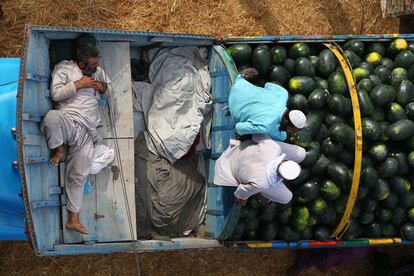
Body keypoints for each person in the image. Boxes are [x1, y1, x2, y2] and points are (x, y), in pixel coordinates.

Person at [40, 42, 112, 234]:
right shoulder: (64, 69)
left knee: (78, 174)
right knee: (50, 119)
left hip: (88, 131)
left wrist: (102, 88)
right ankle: (59, 148)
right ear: (81, 65)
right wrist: (79, 84)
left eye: (97, 65)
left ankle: (73, 219)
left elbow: (110, 92)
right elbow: (56, 94)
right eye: (93, 66)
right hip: (69, 119)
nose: (96, 68)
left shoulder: (98, 72)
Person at [213, 134, 306, 206]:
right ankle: (259, 194)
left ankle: (255, 190)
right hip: (228, 170)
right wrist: (243, 198)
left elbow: (255, 135)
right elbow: (239, 193)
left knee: (302, 153)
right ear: (284, 179)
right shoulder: (262, 184)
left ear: (285, 160)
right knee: (287, 198)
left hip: (237, 151)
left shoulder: (274, 148)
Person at [228, 68, 306, 141]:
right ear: (285, 122)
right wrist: (282, 136)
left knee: (257, 83)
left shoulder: (283, 93)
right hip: (233, 108)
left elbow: (268, 85)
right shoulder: (266, 126)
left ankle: (244, 77)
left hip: (239, 85)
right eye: (292, 131)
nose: (292, 133)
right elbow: (238, 128)